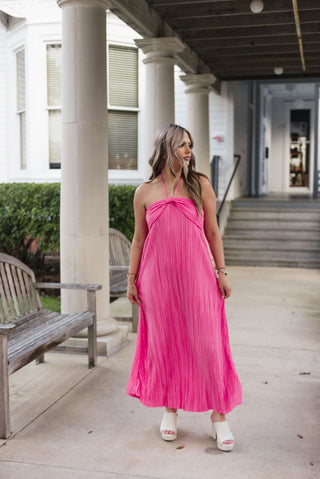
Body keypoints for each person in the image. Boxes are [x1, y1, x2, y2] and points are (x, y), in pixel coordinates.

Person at [126, 124, 242, 452]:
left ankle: (219, 417)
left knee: (208, 344)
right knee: (166, 344)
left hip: (199, 279)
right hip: (157, 282)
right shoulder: (145, 192)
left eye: (190, 145)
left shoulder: (200, 185)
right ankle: (170, 410)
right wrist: (131, 279)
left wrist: (222, 272)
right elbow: (139, 239)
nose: (188, 150)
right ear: (165, 149)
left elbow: (213, 233)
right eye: (182, 145)